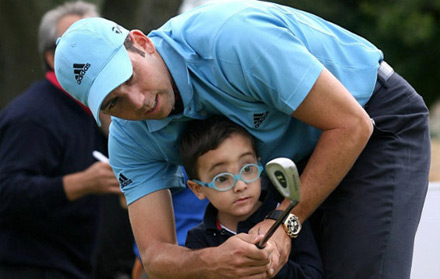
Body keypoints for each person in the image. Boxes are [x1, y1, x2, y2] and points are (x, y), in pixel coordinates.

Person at [54, 1, 431, 278]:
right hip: (283, 166)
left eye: (130, 77)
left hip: (371, 122)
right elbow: (155, 256)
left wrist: (285, 225)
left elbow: (352, 126)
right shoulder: (128, 136)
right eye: (114, 101)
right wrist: (212, 262)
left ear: (142, 43)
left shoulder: (232, 42)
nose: (138, 102)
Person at [0, 2, 122, 279]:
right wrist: (80, 183)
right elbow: (6, 193)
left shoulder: (98, 110)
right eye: (76, 45)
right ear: (52, 58)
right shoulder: (32, 116)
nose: (93, 54)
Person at [180, 116, 323, 279]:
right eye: (221, 178)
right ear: (198, 189)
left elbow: (313, 274)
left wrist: (270, 264)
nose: (240, 185)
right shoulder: (199, 240)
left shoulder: (285, 217)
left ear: (259, 165)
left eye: (248, 169)